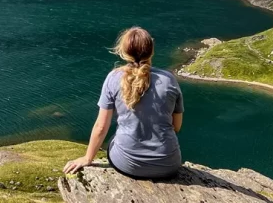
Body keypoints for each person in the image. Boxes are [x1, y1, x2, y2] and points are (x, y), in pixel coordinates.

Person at [63, 26, 184, 179]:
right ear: (151, 50)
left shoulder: (113, 78)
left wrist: (88, 158)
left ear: (123, 52)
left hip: (128, 165)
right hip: (168, 165)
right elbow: (176, 127)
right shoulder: (169, 80)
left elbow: (101, 127)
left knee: (115, 139)